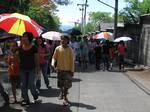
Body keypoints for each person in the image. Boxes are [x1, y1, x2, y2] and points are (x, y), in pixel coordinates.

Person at [17, 32, 40, 106]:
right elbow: (17, 59)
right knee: (23, 85)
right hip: (22, 69)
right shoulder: (20, 48)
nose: (24, 38)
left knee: (31, 84)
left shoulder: (34, 48)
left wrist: (37, 69)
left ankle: (35, 94)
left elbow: (36, 59)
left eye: (26, 36)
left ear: (29, 38)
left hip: (32, 69)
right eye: (23, 36)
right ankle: (26, 99)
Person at [51, 34, 74, 106]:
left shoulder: (70, 49)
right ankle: (61, 92)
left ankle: (65, 97)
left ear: (67, 41)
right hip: (59, 69)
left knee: (66, 85)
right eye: (62, 39)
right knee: (60, 84)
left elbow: (72, 61)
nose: (63, 41)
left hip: (67, 70)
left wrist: (72, 70)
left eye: (64, 39)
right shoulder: (57, 48)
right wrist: (53, 64)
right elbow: (54, 57)